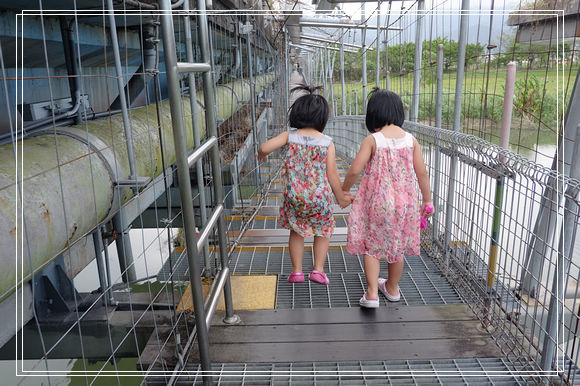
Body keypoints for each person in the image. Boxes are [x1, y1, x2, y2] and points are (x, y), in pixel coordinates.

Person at [342, 89, 433, 308]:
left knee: (371, 246)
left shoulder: (373, 139)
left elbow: (355, 170)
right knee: (397, 246)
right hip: (405, 204)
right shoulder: (411, 140)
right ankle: (392, 288)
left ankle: (372, 293)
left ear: (373, 115)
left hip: (378, 203)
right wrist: (427, 200)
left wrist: (345, 189)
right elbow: (422, 173)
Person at [257, 85, 353, 285]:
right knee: (323, 232)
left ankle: (297, 272)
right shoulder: (327, 142)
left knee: (297, 232)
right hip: (320, 200)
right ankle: (318, 270)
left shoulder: (289, 136)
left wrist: (262, 156)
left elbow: (264, 147)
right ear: (322, 118)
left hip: (295, 198)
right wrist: (341, 197)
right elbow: (333, 174)